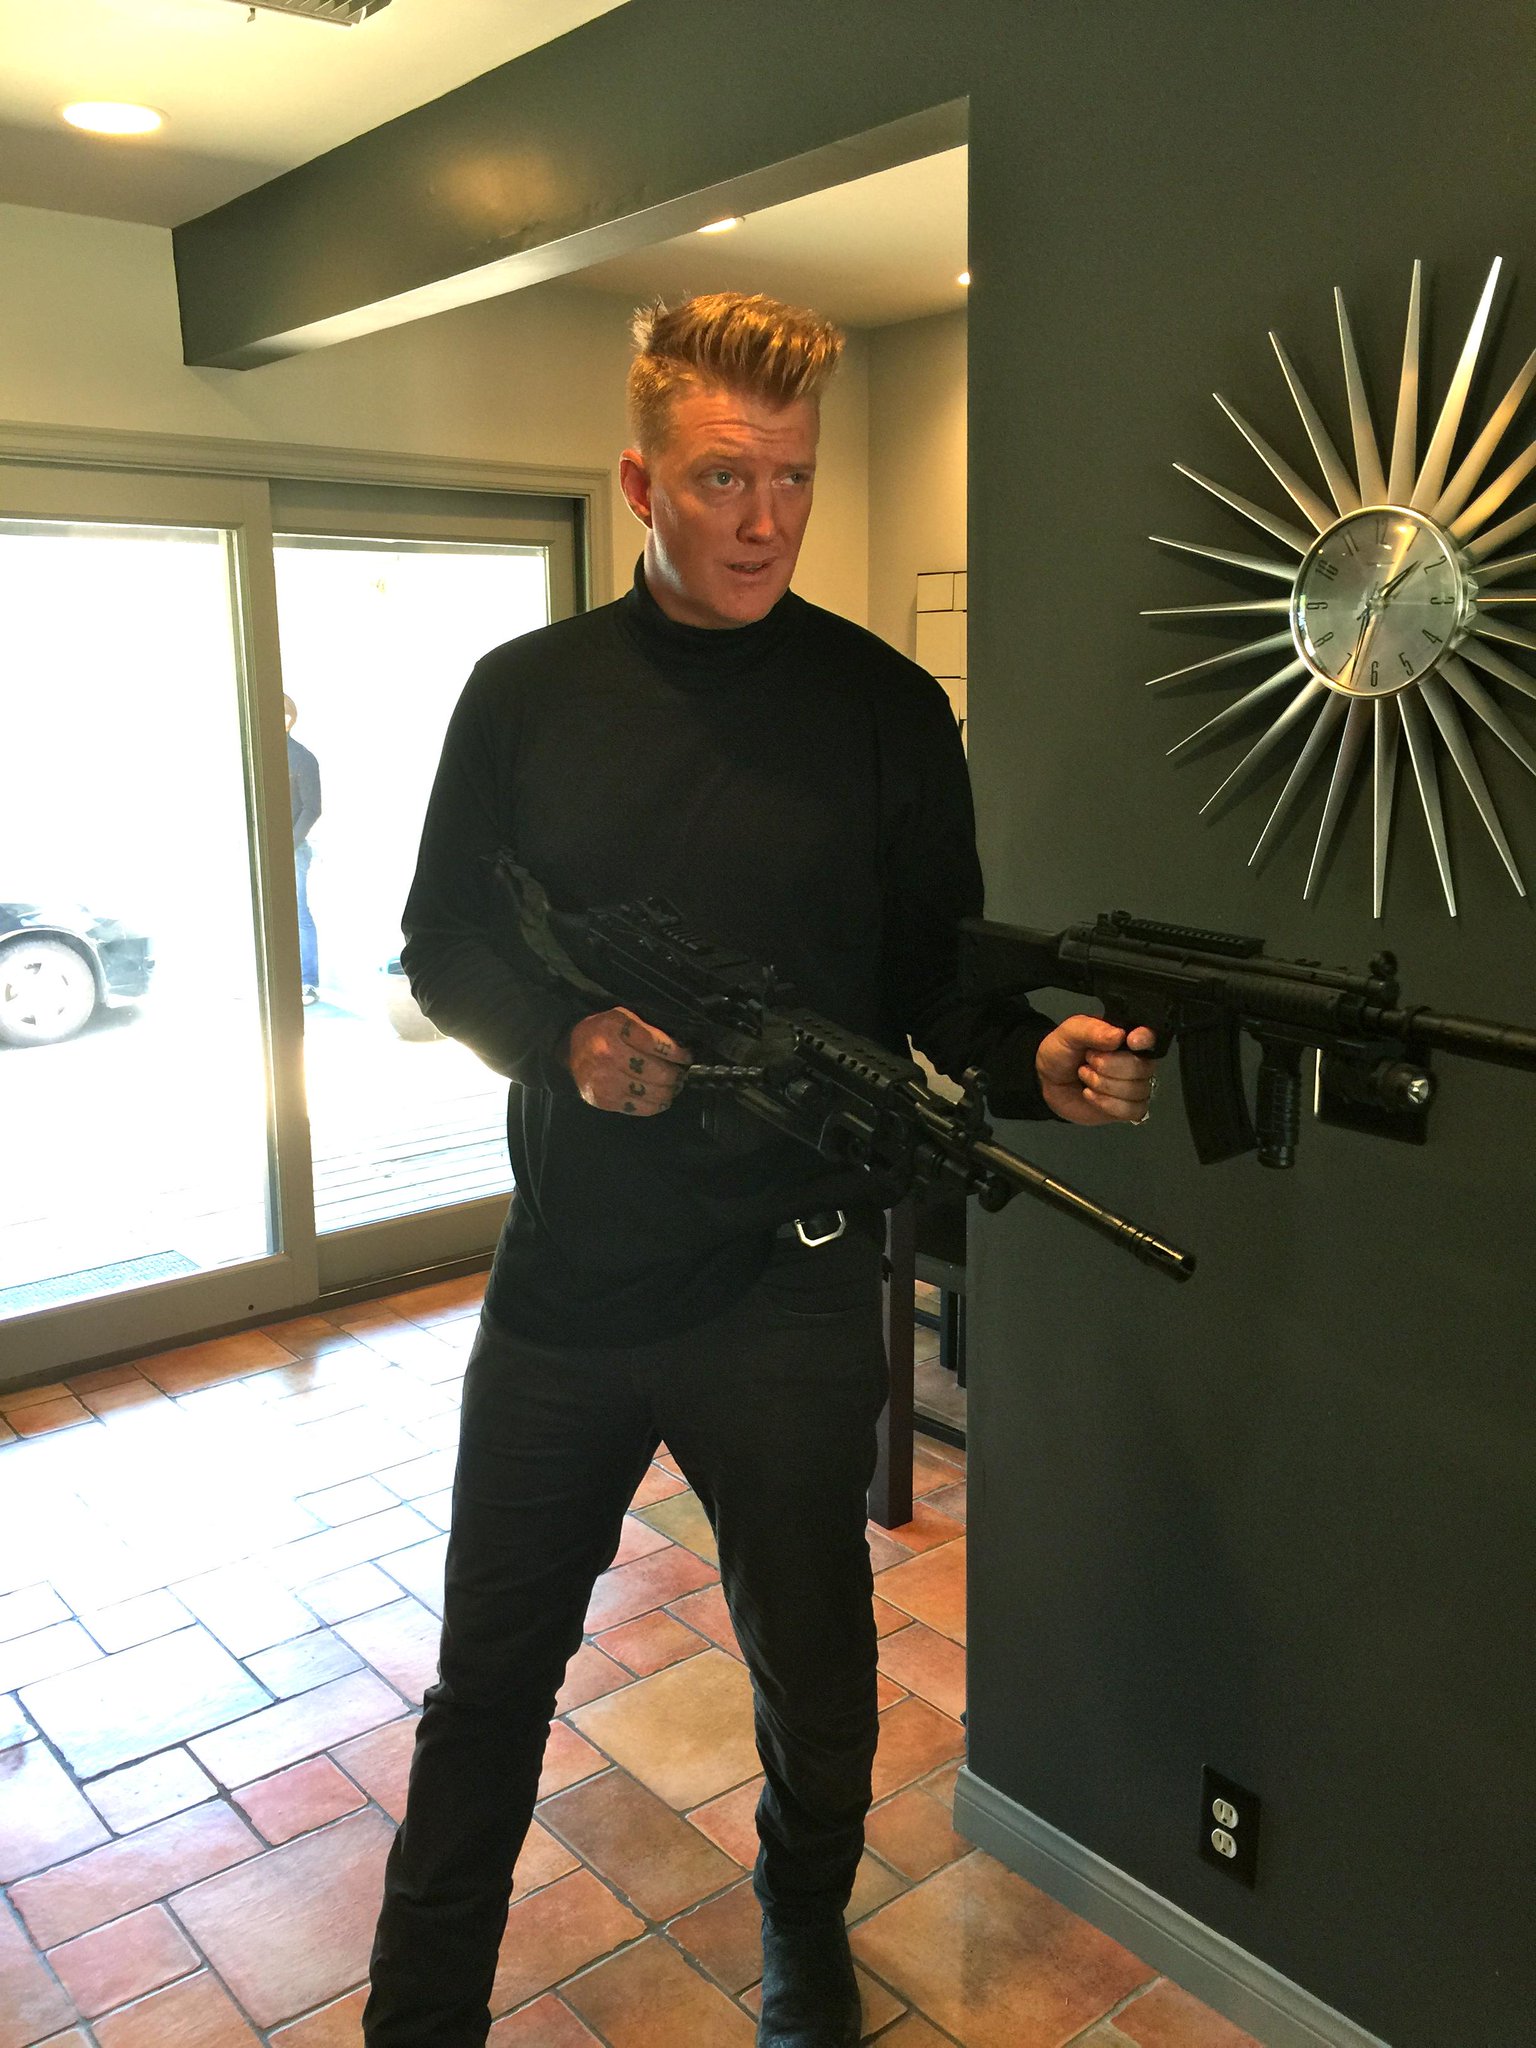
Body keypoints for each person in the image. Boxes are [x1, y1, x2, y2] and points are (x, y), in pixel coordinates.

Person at [362, 293, 1155, 2048]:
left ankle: (804, 1936)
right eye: (725, 478)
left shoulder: (884, 708)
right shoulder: (523, 697)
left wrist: (1036, 1060)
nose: (766, 519)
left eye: (793, 477)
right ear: (642, 479)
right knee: (488, 1686)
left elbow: (940, 978)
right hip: (571, 1281)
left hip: (793, 1287)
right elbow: (441, 944)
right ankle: (420, 2013)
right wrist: (564, 1040)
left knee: (819, 1674)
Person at [285, 693, 322, 1003]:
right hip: (267, 849)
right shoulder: (259, 756)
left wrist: (288, 844)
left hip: (294, 851)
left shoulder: (302, 758)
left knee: (298, 913)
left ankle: (307, 983)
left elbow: (312, 808)